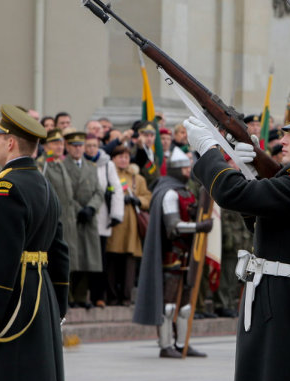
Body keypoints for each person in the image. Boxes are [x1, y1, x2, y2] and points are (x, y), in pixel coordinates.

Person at [186, 98, 290, 381]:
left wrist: (210, 151)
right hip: (287, 297)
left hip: (284, 302)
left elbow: (232, 193)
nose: (282, 139)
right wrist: (254, 172)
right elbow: (276, 227)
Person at [0, 105, 69, 381]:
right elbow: (60, 252)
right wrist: (58, 306)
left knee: (7, 379)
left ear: (10, 142)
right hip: (42, 294)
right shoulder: (45, 186)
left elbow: (3, 259)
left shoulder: (5, 188)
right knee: (36, 380)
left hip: (14, 299)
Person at [134, 147, 212, 358]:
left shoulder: (186, 191)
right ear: (176, 170)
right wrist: (198, 226)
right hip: (172, 254)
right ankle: (166, 344)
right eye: (185, 168)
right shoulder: (168, 193)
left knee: (185, 305)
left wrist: (197, 215)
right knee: (169, 304)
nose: (188, 171)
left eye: (189, 167)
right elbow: (173, 227)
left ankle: (182, 343)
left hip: (188, 255)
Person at [60, 130, 104, 308]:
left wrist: (91, 208)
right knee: (71, 259)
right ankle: (69, 297)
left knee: (87, 259)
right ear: (68, 147)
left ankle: (80, 296)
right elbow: (65, 193)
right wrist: (80, 209)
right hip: (72, 217)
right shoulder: (62, 167)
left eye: (80, 146)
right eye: (74, 146)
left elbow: (99, 191)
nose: (78, 149)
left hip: (89, 218)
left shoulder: (90, 167)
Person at [107, 145, 151, 305]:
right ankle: (111, 296)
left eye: (126, 157)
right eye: (120, 157)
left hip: (131, 226)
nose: (123, 160)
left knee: (129, 263)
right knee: (111, 261)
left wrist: (138, 200)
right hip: (113, 225)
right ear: (113, 159)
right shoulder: (108, 175)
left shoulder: (137, 178)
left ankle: (126, 297)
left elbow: (148, 197)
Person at [84, 133, 124, 307]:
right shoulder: (81, 163)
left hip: (102, 217)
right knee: (84, 256)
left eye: (94, 145)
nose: (91, 149)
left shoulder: (107, 164)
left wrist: (116, 214)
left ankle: (98, 295)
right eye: (88, 145)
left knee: (100, 258)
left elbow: (116, 189)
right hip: (84, 217)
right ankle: (81, 295)